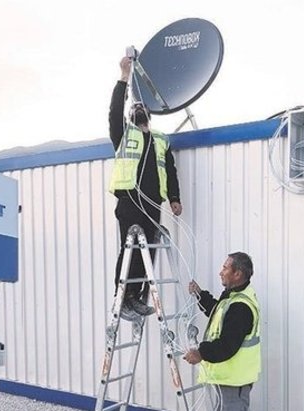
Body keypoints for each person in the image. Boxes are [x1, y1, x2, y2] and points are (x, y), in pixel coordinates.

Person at [109, 55, 182, 320]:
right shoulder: (123, 135)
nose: (139, 110)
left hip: (154, 203)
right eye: (135, 108)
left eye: (143, 108)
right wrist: (123, 77)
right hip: (130, 200)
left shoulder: (162, 140)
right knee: (130, 248)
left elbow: (170, 171)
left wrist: (174, 198)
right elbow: (115, 111)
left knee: (148, 250)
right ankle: (123, 298)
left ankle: (137, 296)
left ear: (149, 115)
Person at [183, 252, 261, 411]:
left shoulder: (241, 306)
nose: (220, 272)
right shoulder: (233, 296)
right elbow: (217, 311)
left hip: (233, 380)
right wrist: (200, 295)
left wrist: (200, 353)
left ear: (237, 274)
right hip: (228, 378)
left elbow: (227, 345)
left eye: (225, 268)